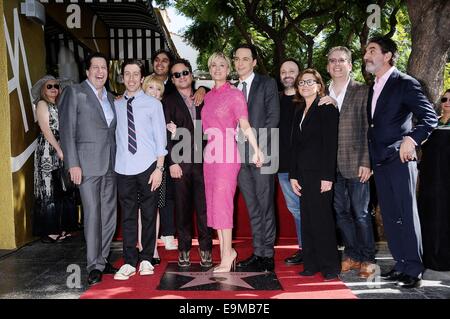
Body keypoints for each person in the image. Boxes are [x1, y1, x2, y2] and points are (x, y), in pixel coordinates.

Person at [364, 36, 438, 288]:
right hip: (379, 161)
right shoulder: (373, 86)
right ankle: (401, 264)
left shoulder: (405, 83)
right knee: (392, 215)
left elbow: (429, 117)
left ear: (387, 56)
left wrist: (412, 139)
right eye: (366, 51)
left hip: (400, 159)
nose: (366, 55)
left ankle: (414, 269)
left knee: (407, 214)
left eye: (372, 50)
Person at [59, 52, 118, 286]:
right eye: (96, 67)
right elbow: (66, 130)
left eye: (104, 67)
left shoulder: (111, 98)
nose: (100, 71)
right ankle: (93, 265)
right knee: (93, 214)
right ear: (87, 71)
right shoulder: (75, 92)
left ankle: (103, 260)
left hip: (111, 165)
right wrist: (72, 163)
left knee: (109, 216)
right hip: (86, 165)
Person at [202, 52, 263, 272]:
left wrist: (257, 150)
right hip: (210, 154)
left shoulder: (235, 94)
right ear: (209, 69)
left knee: (223, 204)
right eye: (213, 65)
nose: (217, 69)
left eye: (222, 65)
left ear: (228, 69)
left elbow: (245, 125)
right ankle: (226, 253)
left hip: (227, 153)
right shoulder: (208, 97)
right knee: (215, 205)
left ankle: (228, 255)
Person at [113, 60, 167, 280]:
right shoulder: (114, 104)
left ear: (142, 78)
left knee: (148, 215)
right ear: (122, 77)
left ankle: (146, 258)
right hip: (123, 167)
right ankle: (128, 261)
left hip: (148, 167)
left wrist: (159, 169)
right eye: (127, 74)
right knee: (127, 216)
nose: (132, 78)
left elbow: (160, 138)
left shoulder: (154, 105)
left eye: (136, 74)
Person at [326, 46, 376, 278]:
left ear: (350, 65)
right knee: (341, 213)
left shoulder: (364, 91)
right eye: (333, 60)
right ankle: (353, 254)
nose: (337, 64)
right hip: (330, 166)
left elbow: (369, 129)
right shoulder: (321, 93)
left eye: (342, 60)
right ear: (327, 66)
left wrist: (367, 161)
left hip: (357, 163)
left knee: (361, 213)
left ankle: (367, 259)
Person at [289, 69, 341, 281]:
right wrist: (293, 175)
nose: (305, 85)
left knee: (322, 220)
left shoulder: (327, 108)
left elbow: (330, 145)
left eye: (310, 81)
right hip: (302, 174)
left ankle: (330, 266)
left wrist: (328, 176)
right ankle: (311, 264)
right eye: (302, 82)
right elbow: (294, 146)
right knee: (307, 219)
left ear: (320, 85)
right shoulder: (298, 109)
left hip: (320, 174)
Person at [233, 44, 280, 272]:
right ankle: (257, 251)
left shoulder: (267, 84)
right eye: (237, 59)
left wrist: (258, 149)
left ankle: (267, 254)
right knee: (252, 206)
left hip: (263, 154)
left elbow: (273, 118)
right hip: (238, 158)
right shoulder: (233, 88)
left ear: (253, 62)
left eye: (245, 59)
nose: (240, 63)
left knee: (265, 205)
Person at [163, 59, 213, 268]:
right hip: (180, 163)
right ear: (172, 80)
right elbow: (163, 134)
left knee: (204, 209)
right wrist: (171, 162)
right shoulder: (168, 102)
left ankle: (206, 249)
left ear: (191, 74)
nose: (182, 76)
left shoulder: (205, 96)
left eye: (185, 72)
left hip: (204, 162)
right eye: (176, 75)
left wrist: (203, 88)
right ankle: (183, 248)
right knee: (182, 209)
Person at [32, 75, 76, 243]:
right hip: (48, 149)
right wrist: (58, 149)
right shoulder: (42, 104)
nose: (53, 89)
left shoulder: (58, 105)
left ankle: (62, 227)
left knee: (62, 188)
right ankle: (50, 231)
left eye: (56, 86)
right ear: (44, 88)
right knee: (48, 188)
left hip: (61, 147)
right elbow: (45, 129)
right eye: (49, 86)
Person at [417, 88, 450, 271]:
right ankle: (429, 258)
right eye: (444, 98)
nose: (447, 102)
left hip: (447, 182)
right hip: (430, 182)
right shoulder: (431, 123)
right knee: (429, 216)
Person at [277, 59, 303, 265]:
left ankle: (315, 248)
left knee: (311, 208)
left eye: (292, 71)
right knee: (295, 209)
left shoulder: (307, 98)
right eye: (284, 71)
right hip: (282, 165)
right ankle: (304, 249)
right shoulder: (274, 100)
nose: (287, 74)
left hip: (306, 165)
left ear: (299, 73)